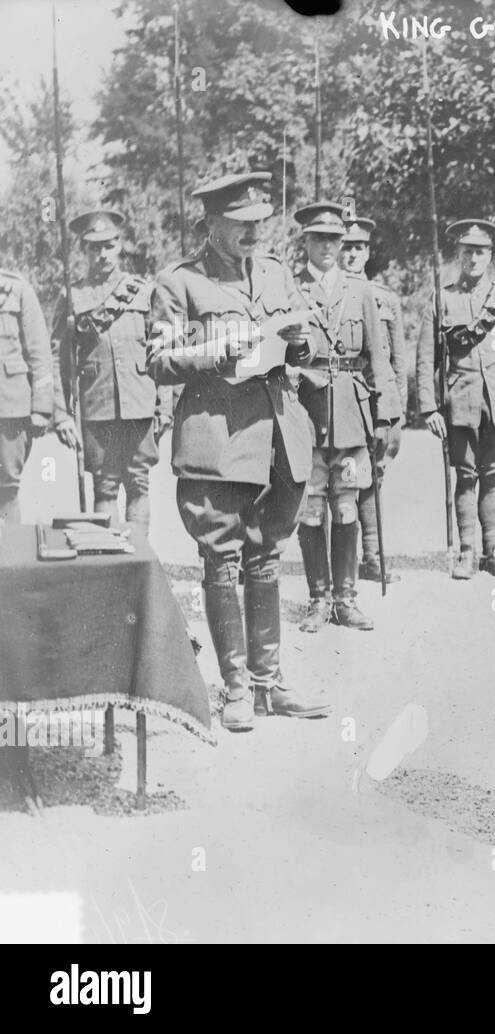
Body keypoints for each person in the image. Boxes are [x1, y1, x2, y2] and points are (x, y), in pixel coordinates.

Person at [147, 171, 330, 730]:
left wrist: (301, 340)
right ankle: (235, 687)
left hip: (277, 437)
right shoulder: (180, 282)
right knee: (222, 559)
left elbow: (313, 333)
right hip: (219, 441)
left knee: (266, 554)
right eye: (242, 225)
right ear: (212, 223)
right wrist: (218, 346)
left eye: (260, 224)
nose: (255, 234)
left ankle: (269, 681)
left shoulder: (275, 273)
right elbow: (158, 359)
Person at [292, 202, 399, 633]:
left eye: (335, 240)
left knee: (347, 506)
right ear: (306, 243)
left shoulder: (362, 294)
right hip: (307, 415)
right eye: (319, 239)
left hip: (353, 418)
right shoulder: (292, 291)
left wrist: (386, 416)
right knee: (312, 508)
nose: (328, 247)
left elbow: (378, 356)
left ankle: (346, 599)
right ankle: (318, 600)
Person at [415, 219, 495, 580]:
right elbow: (425, 358)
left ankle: (493, 551)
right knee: (465, 476)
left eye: (480, 252)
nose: (474, 258)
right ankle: (466, 551)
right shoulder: (442, 298)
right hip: (460, 400)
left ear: (491, 255)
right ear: (458, 255)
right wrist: (429, 407)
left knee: (492, 476)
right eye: (467, 252)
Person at [50, 209, 172, 533]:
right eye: (94, 247)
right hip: (96, 406)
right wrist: (62, 414)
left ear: (120, 245)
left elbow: (163, 350)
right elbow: (57, 357)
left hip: (140, 403)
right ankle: (110, 566)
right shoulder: (72, 296)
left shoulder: (143, 290)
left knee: (139, 484)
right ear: (84, 250)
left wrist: (165, 405)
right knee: (104, 486)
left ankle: (138, 562)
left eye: (109, 245)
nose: (102, 254)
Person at [340, 215, 406, 585]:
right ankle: (345, 561)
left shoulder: (385, 298)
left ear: (368, 252)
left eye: (358, 247)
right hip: (345, 401)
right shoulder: (327, 295)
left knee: (374, 479)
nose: (351, 254)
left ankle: (374, 557)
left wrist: (398, 410)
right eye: (346, 247)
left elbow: (396, 360)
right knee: (347, 479)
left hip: (378, 400)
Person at [0, 269, 61, 525]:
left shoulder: (15, 288)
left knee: (7, 489)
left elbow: (39, 351)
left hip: (8, 408)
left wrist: (42, 407)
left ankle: (11, 562)